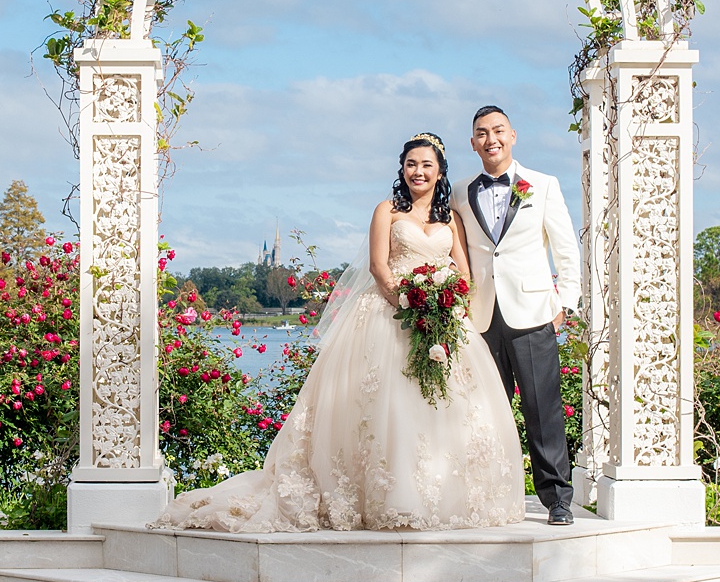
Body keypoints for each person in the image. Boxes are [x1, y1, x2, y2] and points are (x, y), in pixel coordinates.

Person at [153, 133, 526, 532]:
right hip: (391, 314)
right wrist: (408, 302)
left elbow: (464, 272)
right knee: (384, 408)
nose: (418, 171)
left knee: (447, 409)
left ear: (439, 171)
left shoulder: (449, 218)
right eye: (411, 164)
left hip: (442, 318)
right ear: (402, 169)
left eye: (426, 165)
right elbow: (380, 266)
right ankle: (383, 497)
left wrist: (446, 305)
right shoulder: (387, 210)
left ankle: (443, 495)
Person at [455, 106, 582, 526]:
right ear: (472, 143)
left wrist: (566, 302)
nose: (490, 139)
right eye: (481, 133)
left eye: (497, 131)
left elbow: (565, 248)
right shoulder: (459, 191)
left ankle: (557, 499)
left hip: (532, 312)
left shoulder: (542, 185)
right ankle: (486, 493)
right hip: (480, 316)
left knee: (542, 408)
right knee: (481, 411)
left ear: (512, 136)